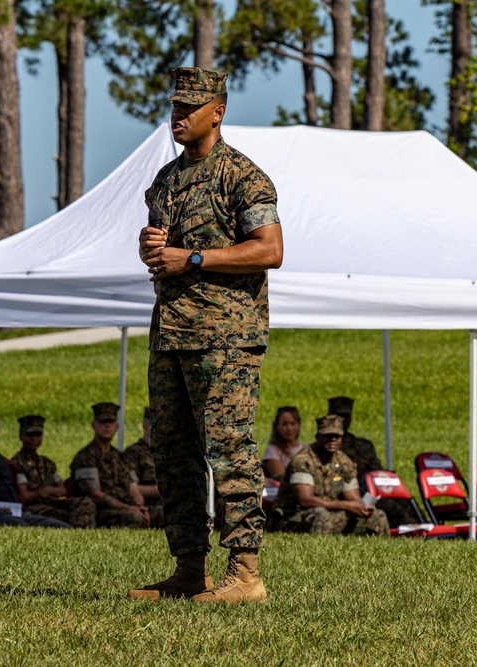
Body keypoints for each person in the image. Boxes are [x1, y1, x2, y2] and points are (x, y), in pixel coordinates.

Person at [128, 67, 284, 604]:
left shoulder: (243, 177)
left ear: (216, 112)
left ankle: (245, 574)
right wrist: (152, 249)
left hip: (225, 338)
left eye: (189, 109)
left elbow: (269, 250)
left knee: (229, 451)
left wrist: (192, 257)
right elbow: (159, 255)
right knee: (173, 455)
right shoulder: (166, 181)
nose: (177, 117)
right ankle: (189, 570)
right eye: (174, 107)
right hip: (171, 333)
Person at [270, 415, 388, 536]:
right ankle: (318, 553)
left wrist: (361, 506)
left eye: (336, 436)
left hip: (330, 514)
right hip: (293, 517)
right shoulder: (303, 460)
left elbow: (352, 497)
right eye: (328, 436)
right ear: (317, 437)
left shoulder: (344, 462)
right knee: (321, 515)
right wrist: (347, 506)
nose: (332, 440)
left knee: (378, 516)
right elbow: (305, 500)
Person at [328, 395, 418, 528]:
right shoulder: (329, 446)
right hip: (351, 490)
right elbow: (335, 477)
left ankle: (427, 526)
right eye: (339, 416)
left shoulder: (362, 444)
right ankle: (412, 529)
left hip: (372, 488)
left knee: (405, 499)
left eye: (347, 416)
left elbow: (376, 469)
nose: (343, 420)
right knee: (388, 504)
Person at [70, 402, 162, 528]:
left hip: (127, 507)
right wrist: (130, 508)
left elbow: (133, 488)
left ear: (116, 427)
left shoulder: (120, 457)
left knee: (164, 514)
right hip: (101, 510)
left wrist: (140, 507)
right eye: (103, 422)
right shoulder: (85, 457)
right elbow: (95, 494)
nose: (107, 425)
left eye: (111, 422)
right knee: (133, 517)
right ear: (93, 425)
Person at [11, 415, 96, 529]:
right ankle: (81, 535)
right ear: (21, 436)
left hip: (51, 503)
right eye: (29, 435)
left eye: (38, 434)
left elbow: (63, 489)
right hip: (32, 507)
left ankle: (87, 533)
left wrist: (48, 490)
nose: (34, 438)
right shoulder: (17, 463)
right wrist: (39, 493)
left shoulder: (47, 463)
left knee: (84, 502)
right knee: (66, 516)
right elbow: (25, 495)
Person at [123, 407, 161, 505]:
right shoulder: (133, 453)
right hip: (150, 505)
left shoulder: (171, 451)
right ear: (145, 426)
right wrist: (161, 489)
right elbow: (131, 488)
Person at [262, 406, 306, 482]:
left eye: (292, 423)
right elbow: (280, 477)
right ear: (277, 426)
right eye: (284, 424)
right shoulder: (272, 450)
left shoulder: (305, 448)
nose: (289, 428)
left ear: (299, 424)